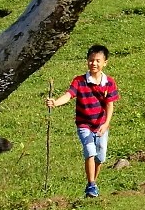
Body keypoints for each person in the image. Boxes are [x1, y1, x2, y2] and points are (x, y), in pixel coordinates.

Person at [46, 44, 119, 199]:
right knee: (90, 151)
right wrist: (55, 102)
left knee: (101, 157)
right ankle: (91, 185)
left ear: (105, 62)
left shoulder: (109, 82)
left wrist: (106, 124)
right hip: (84, 124)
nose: (94, 63)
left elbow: (110, 105)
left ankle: (92, 183)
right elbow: (69, 95)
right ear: (87, 61)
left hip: (101, 125)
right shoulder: (79, 81)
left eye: (98, 60)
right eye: (91, 60)